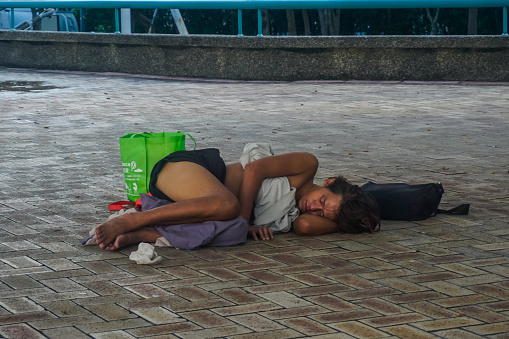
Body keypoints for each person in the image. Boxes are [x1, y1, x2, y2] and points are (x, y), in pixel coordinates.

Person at [95, 147, 380, 250]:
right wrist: (243, 220)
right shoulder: (306, 167)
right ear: (329, 183)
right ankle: (135, 220)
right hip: (190, 171)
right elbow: (255, 168)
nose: (313, 208)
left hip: (200, 205)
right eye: (323, 201)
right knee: (231, 215)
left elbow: (304, 228)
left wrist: (343, 219)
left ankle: (142, 234)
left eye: (322, 214)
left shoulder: (302, 217)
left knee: (231, 233)